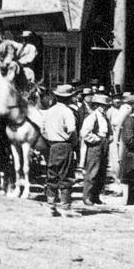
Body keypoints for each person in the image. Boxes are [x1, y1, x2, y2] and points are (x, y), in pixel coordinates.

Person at [41, 84, 79, 217]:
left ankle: (51, 205)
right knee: (66, 176)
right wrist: (73, 144)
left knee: (52, 175)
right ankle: (66, 207)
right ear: (69, 98)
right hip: (65, 145)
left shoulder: (49, 111)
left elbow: (43, 131)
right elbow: (72, 130)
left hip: (52, 146)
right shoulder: (67, 111)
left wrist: (52, 140)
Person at [80, 92, 110, 206]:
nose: (104, 108)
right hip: (95, 146)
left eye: (105, 106)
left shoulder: (104, 117)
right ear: (96, 105)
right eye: (102, 106)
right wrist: (95, 139)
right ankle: (87, 196)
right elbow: (85, 133)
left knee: (101, 172)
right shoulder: (92, 117)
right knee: (92, 171)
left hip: (104, 143)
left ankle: (96, 196)